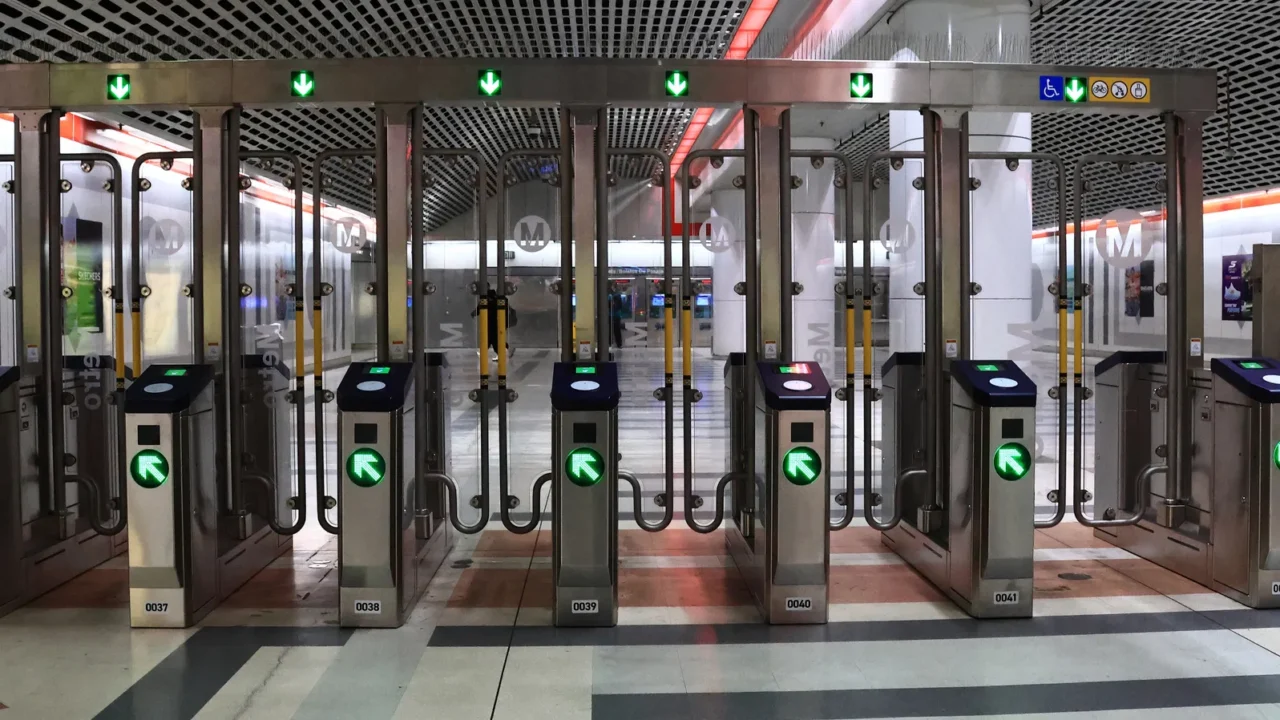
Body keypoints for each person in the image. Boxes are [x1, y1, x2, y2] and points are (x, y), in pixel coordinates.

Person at [472, 288, 515, 359]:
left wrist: (473, 313)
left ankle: (485, 352)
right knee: (494, 339)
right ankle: (485, 352)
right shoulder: (500, 299)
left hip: (492, 323)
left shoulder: (487, 300)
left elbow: (479, 308)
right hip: (498, 322)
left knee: (493, 339)